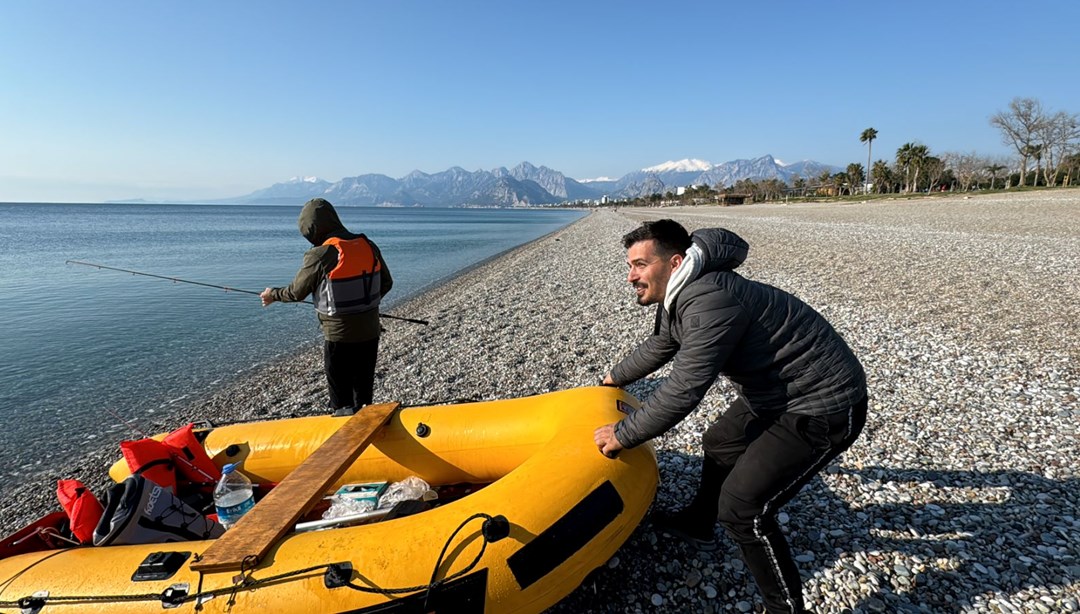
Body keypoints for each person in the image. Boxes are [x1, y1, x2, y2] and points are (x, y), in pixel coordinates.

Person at [593, 219, 867, 614]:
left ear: (674, 262)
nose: (631, 276)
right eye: (629, 265)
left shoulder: (708, 299)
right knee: (721, 440)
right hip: (776, 394)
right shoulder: (684, 290)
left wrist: (623, 435)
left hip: (823, 405)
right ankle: (699, 524)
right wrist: (611, 378)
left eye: (639, 265)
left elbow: (685, 388)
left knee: (743, 510)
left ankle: (785, 608)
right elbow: (662, 344)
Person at [260, 198, 392, 416]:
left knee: (341, 402)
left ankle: (346, 435)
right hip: (370, 332)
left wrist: (272, 294)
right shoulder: (368, 245)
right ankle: (368, 431)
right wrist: (364, 306)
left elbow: (296, 292)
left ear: (311, 229)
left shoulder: (320, 255)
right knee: (364, 395)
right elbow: (386, 283)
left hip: (339, 339)